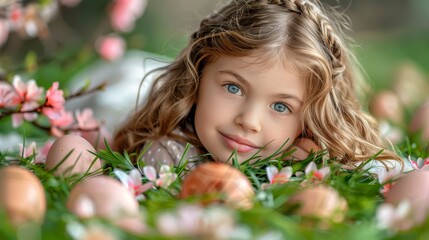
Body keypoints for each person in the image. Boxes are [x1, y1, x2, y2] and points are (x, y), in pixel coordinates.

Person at [112, 0, 402, 170]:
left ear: (309, 119)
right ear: (198, 76)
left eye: (280, 106)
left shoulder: (305, 156)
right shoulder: (168, 157)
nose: (249, 121)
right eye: (233, 88)